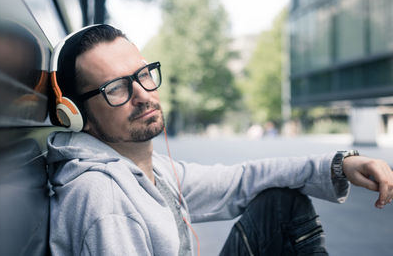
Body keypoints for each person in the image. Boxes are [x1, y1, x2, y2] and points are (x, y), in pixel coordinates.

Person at [47, 24, 393, 256]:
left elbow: (241, 181)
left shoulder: (148, 171)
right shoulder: (103, 200)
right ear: (78, 115)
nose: (142, 95)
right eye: (116, 88)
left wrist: (342, 165)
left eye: (142, 75)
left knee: (279, 205)